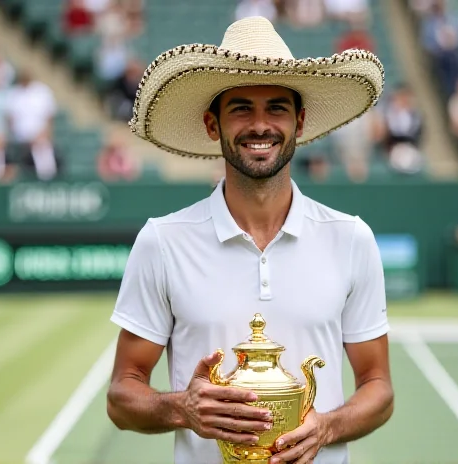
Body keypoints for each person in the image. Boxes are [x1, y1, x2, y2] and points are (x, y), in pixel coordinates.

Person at [106, 16, 394, 464]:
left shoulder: (351, 238)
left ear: (299, 122)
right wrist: (181, 407)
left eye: (276, 108)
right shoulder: (162, 241)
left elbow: (379, 387)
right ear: (211, 123)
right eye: (241, 107)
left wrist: (328, 427)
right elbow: (121, 396)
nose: (260, 125)